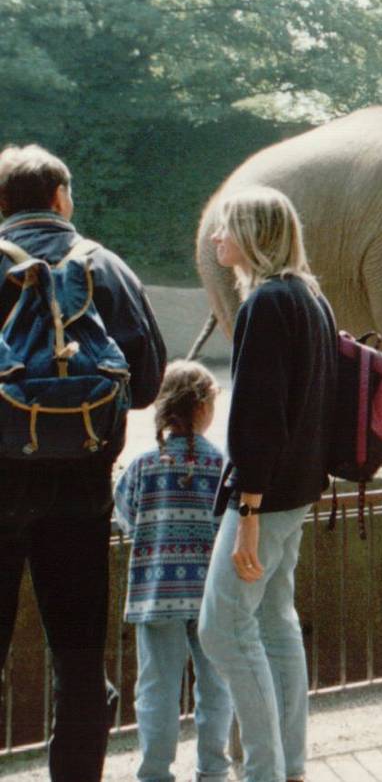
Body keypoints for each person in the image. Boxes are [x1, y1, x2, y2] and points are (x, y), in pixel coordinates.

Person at [0, 144, 167, 782]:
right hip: (81, 494)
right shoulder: (106, 267)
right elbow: (146, 384)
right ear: (61, 198)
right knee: (77, 663)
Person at [197, 187, 338, 782]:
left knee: (223, 630)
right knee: (276, 623)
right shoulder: (310, 298)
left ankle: (263, 770)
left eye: (226, 227)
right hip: (299, 491)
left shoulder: (265, 304)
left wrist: (247, 515)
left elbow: (259, 416)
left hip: (264, 499)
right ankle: (288, 765)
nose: (216, 237)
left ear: (254, 236)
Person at [113, 362, 231, 782]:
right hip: (211, 595)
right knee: (216, 685)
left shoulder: (143, 465)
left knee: (156, 689)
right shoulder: (221, 465)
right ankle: (213, 769)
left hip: (156, 593)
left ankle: (154, 772)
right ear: (202, 407)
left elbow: (126, 517)